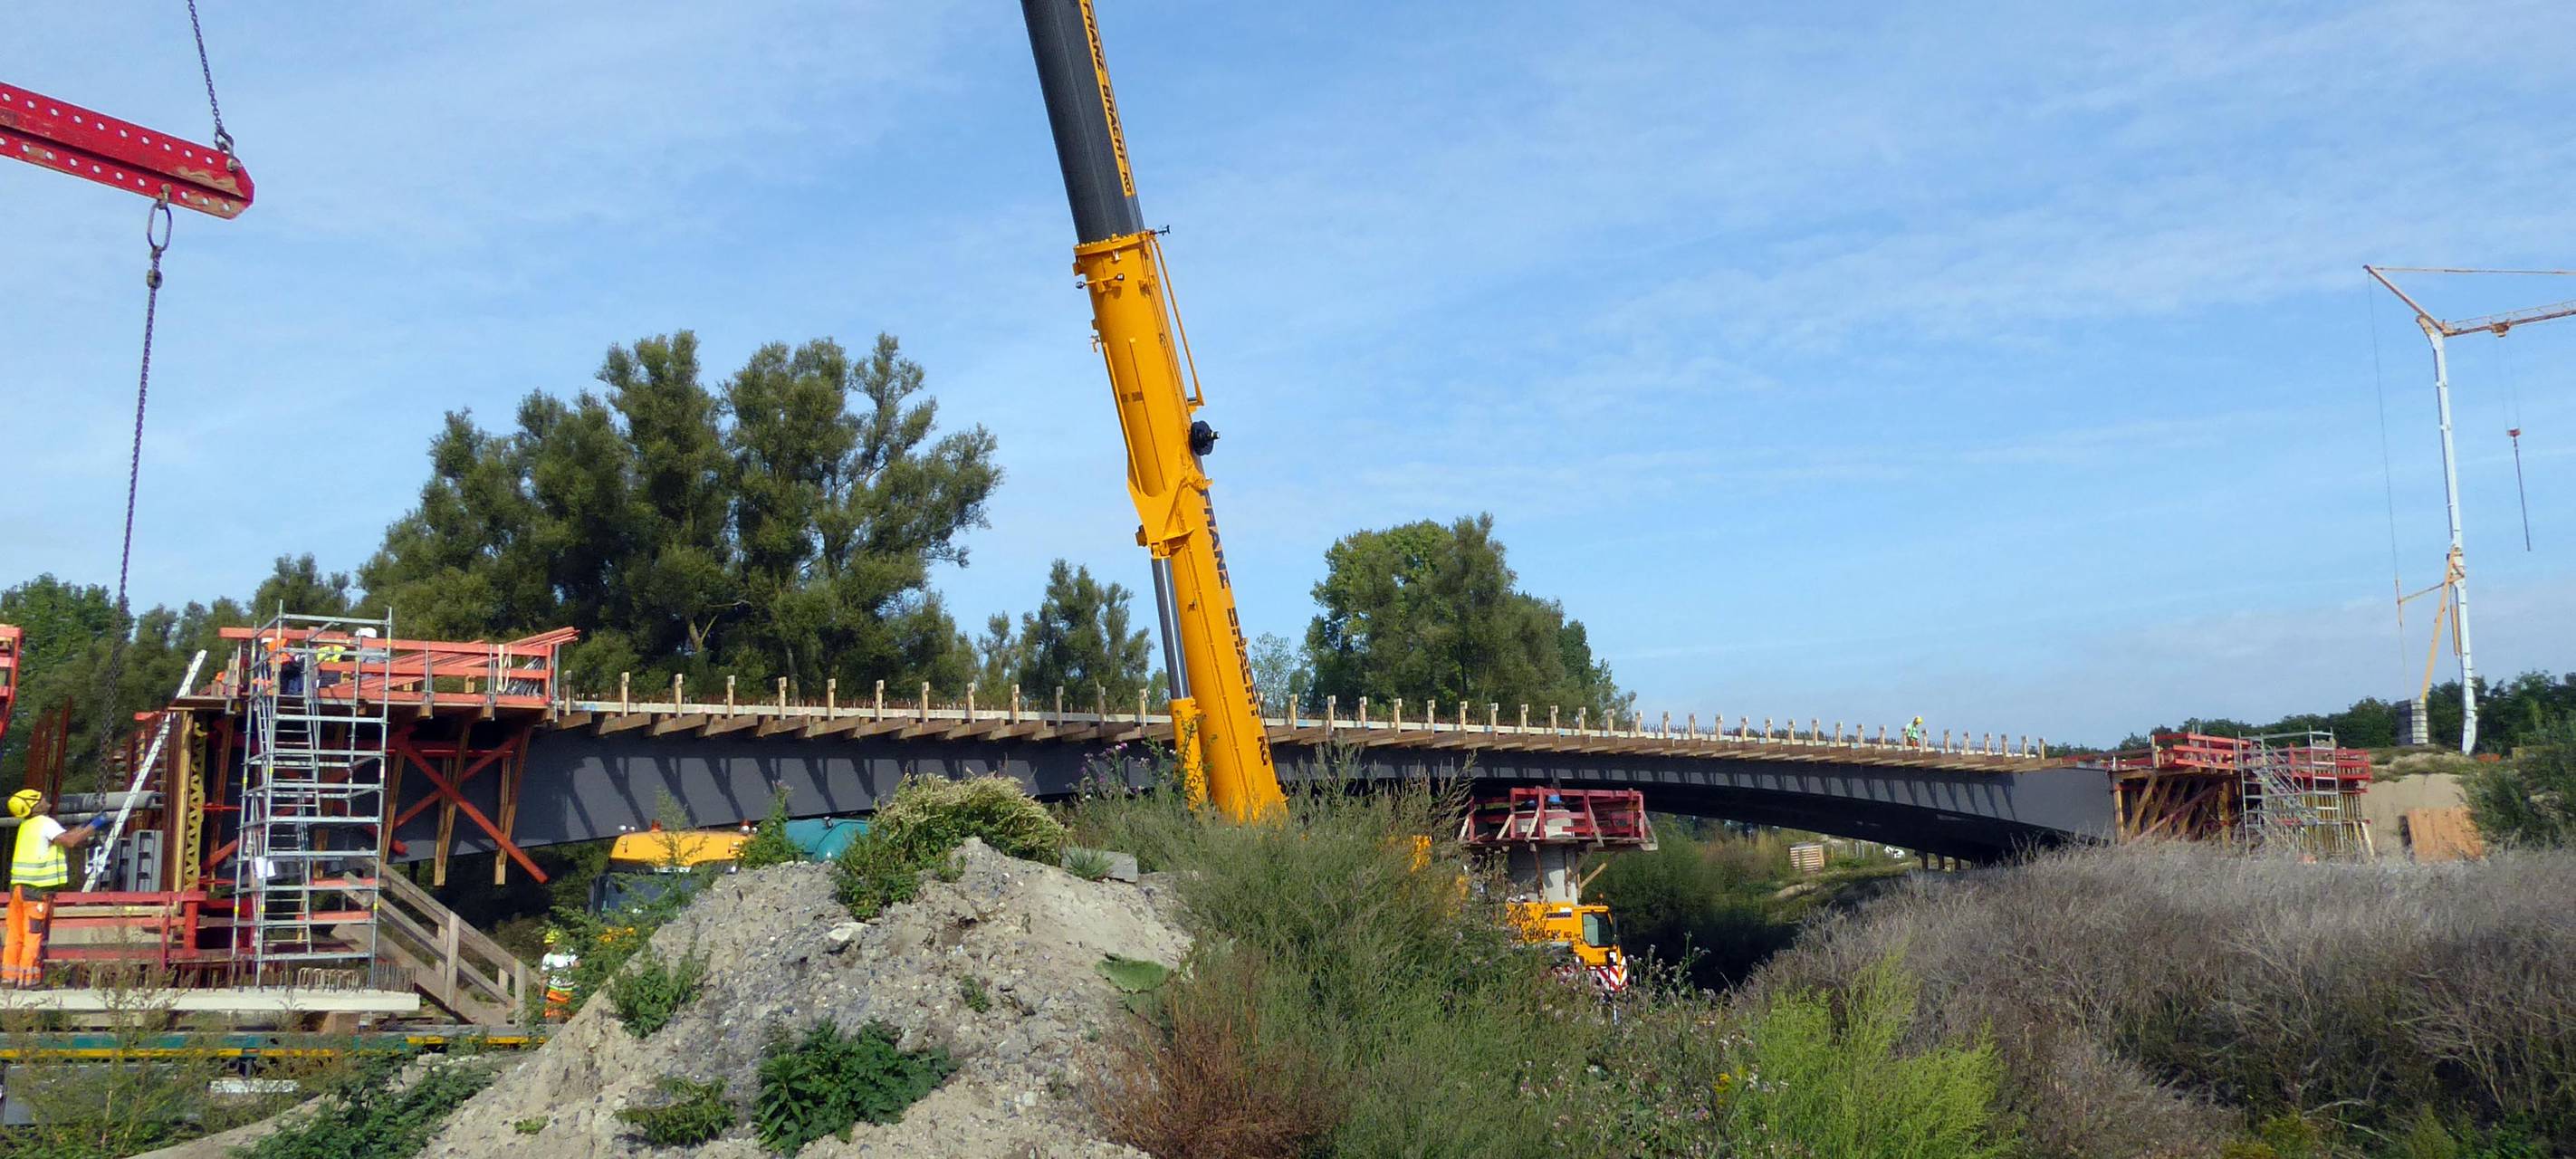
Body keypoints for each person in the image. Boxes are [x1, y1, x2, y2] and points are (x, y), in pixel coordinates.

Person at [5, 788, 98, 986]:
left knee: (15, 935)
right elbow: (70, 841)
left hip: (19, 889)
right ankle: (28, 980)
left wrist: (83, 826)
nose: (45, 799)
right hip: (37, 891)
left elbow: (63, 836)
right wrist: (95, 826)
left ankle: (9, 977)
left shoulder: (27, 825)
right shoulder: (45, 822)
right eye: (41, 798)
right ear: (34, 805)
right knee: (33, 935)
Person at [540, 926, 579, 1020]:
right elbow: (544, 976)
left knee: (571, 1018)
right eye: (549, 944)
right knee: (553, 1018)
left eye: (553, 942)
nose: (551, 946)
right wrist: (542, 995)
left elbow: (577, 966)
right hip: (555, 991)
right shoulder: (548, 957)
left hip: (570, 991)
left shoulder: (569, 952)